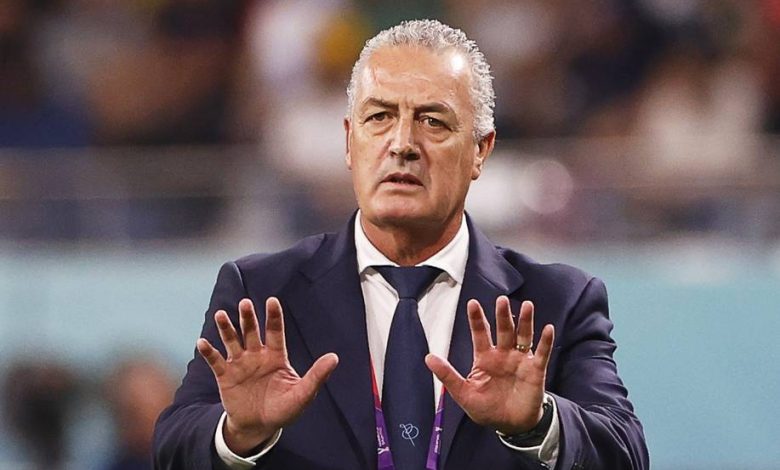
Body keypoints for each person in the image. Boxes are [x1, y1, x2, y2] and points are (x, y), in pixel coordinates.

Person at [153, 19, 648, 470]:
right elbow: (172, 448)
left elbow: (625, 453)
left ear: (480, 150)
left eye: (433, 121)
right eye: (380, 117)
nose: (403, 143)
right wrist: (237, 435)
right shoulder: (260, 293)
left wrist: (539, 424)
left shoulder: (558, 302)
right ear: (349, 141)